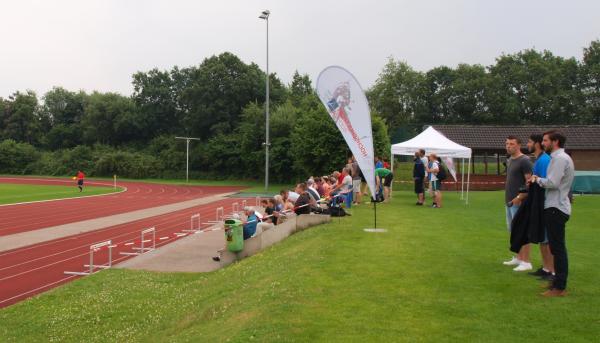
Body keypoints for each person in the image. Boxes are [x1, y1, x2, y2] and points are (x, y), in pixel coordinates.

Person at [530, 131, 575, 297]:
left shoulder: (560, 159)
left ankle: (559, 287)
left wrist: (537, 179)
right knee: (556, 248)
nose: (543, 143)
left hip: (556, 207)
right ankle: (556, 283)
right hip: (555, 206)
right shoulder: (559, 158)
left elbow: (552, 182)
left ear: (555, 141)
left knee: (558, 248)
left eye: (545, 140)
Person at [502, 136, 533, 271]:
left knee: (522, 231)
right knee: (514, 231)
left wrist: (520, 197)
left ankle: (526, 262)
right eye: (507, 144)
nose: (509, 146)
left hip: (519, 202)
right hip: (509, 201)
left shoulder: (524, 160)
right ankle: (518, 258)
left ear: (519, 145)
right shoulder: (510, 160)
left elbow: (529, 182)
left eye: (512, 144)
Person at [526, 134, 554, 280]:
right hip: (538, 203)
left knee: (547, 239)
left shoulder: (544, 160)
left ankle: (552, 271)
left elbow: (546, 183)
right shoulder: (538, 160)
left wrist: (534, 180)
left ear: (536, 144)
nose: (528, 144)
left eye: (530, 142)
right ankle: (546, 268)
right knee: (542, 238)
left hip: (544, 204)